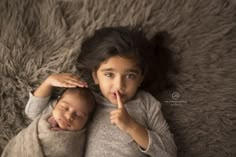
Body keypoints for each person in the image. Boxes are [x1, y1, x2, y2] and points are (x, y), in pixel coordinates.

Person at [77, 26, 177, 157]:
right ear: (95, 76)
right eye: (109, 75)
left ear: (141, 78)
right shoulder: (86, 99)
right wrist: (48, 84)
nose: (119, 85)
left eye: (130, 76)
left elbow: (170, 153)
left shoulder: (146, 103)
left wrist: (131, 126)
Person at [1, 73, 96, 157]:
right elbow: (31, 112)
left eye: (78, 115)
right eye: (65, 108)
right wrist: (48, 82)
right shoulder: (50, 111)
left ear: (87, 121)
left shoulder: (81, 135)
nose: (68, 116)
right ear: (56, 104)